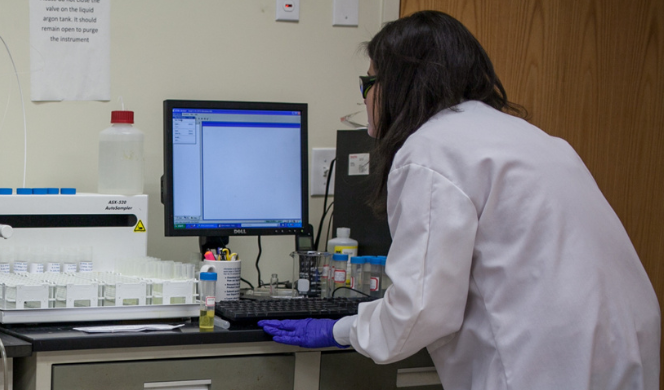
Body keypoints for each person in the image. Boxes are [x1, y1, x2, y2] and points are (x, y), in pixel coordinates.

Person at [259, 10, 660, 390]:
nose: (365, 99)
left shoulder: (431, 151)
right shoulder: (532, 138)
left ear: (399, 84)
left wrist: (340, 330)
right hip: (623, 351)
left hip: (542, 365)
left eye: (368, 85)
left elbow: (419, 312)